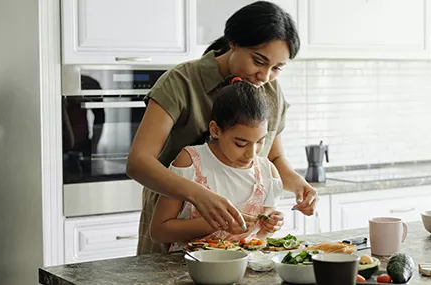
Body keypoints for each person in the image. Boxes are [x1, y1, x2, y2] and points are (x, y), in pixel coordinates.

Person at [127, 1, 318, 254]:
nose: (265, 75)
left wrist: (297, 184)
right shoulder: (181, 81)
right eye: (259, 61)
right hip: (174, 228)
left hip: (238, 245)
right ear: (234, 43)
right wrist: (198, 195)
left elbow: (273, 156)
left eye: (277, 68)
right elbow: (138, 162)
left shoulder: (270, 90)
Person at [150, 78, 284, 251]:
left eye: (260, 142)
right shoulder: (191, 162)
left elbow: (259, 237)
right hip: (189, 270)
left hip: (245, 270)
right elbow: (159, 231)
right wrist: (216, 223)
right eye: (241, 143)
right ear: (215, 130)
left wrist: (270, 226)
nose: (252, 153)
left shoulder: (267, 172)